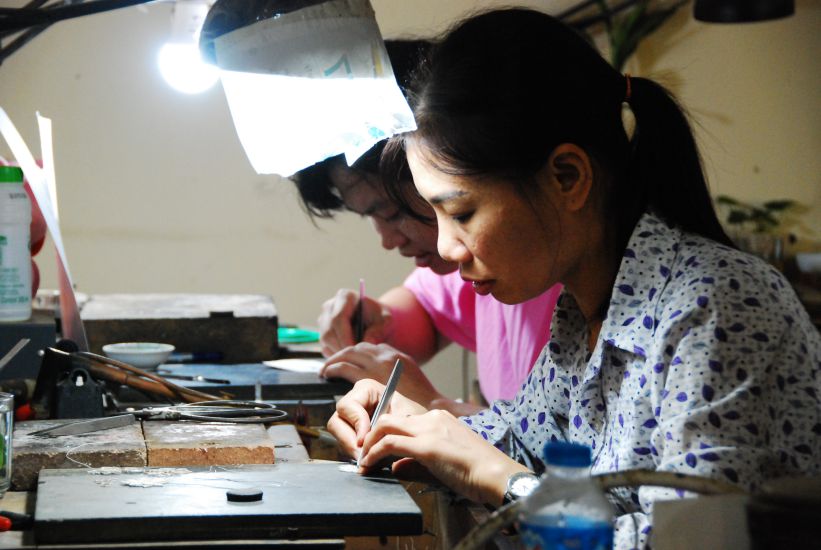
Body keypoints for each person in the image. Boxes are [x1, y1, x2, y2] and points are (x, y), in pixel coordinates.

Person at [326, 8, 821, 548]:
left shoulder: (717, 306)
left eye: (462, 213)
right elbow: (525, 440)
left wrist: (503, 483)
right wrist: (413, 427)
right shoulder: (583, 312)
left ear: (568, 178)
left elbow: (697, 540)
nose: (445, 247)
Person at [291, 40, 562, 414]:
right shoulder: (480, 255)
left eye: (388, 212)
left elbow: (564, 454)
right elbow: (428, 312)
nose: (387, 241)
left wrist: (434, 406)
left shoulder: (525, 253)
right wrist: (373, 328)